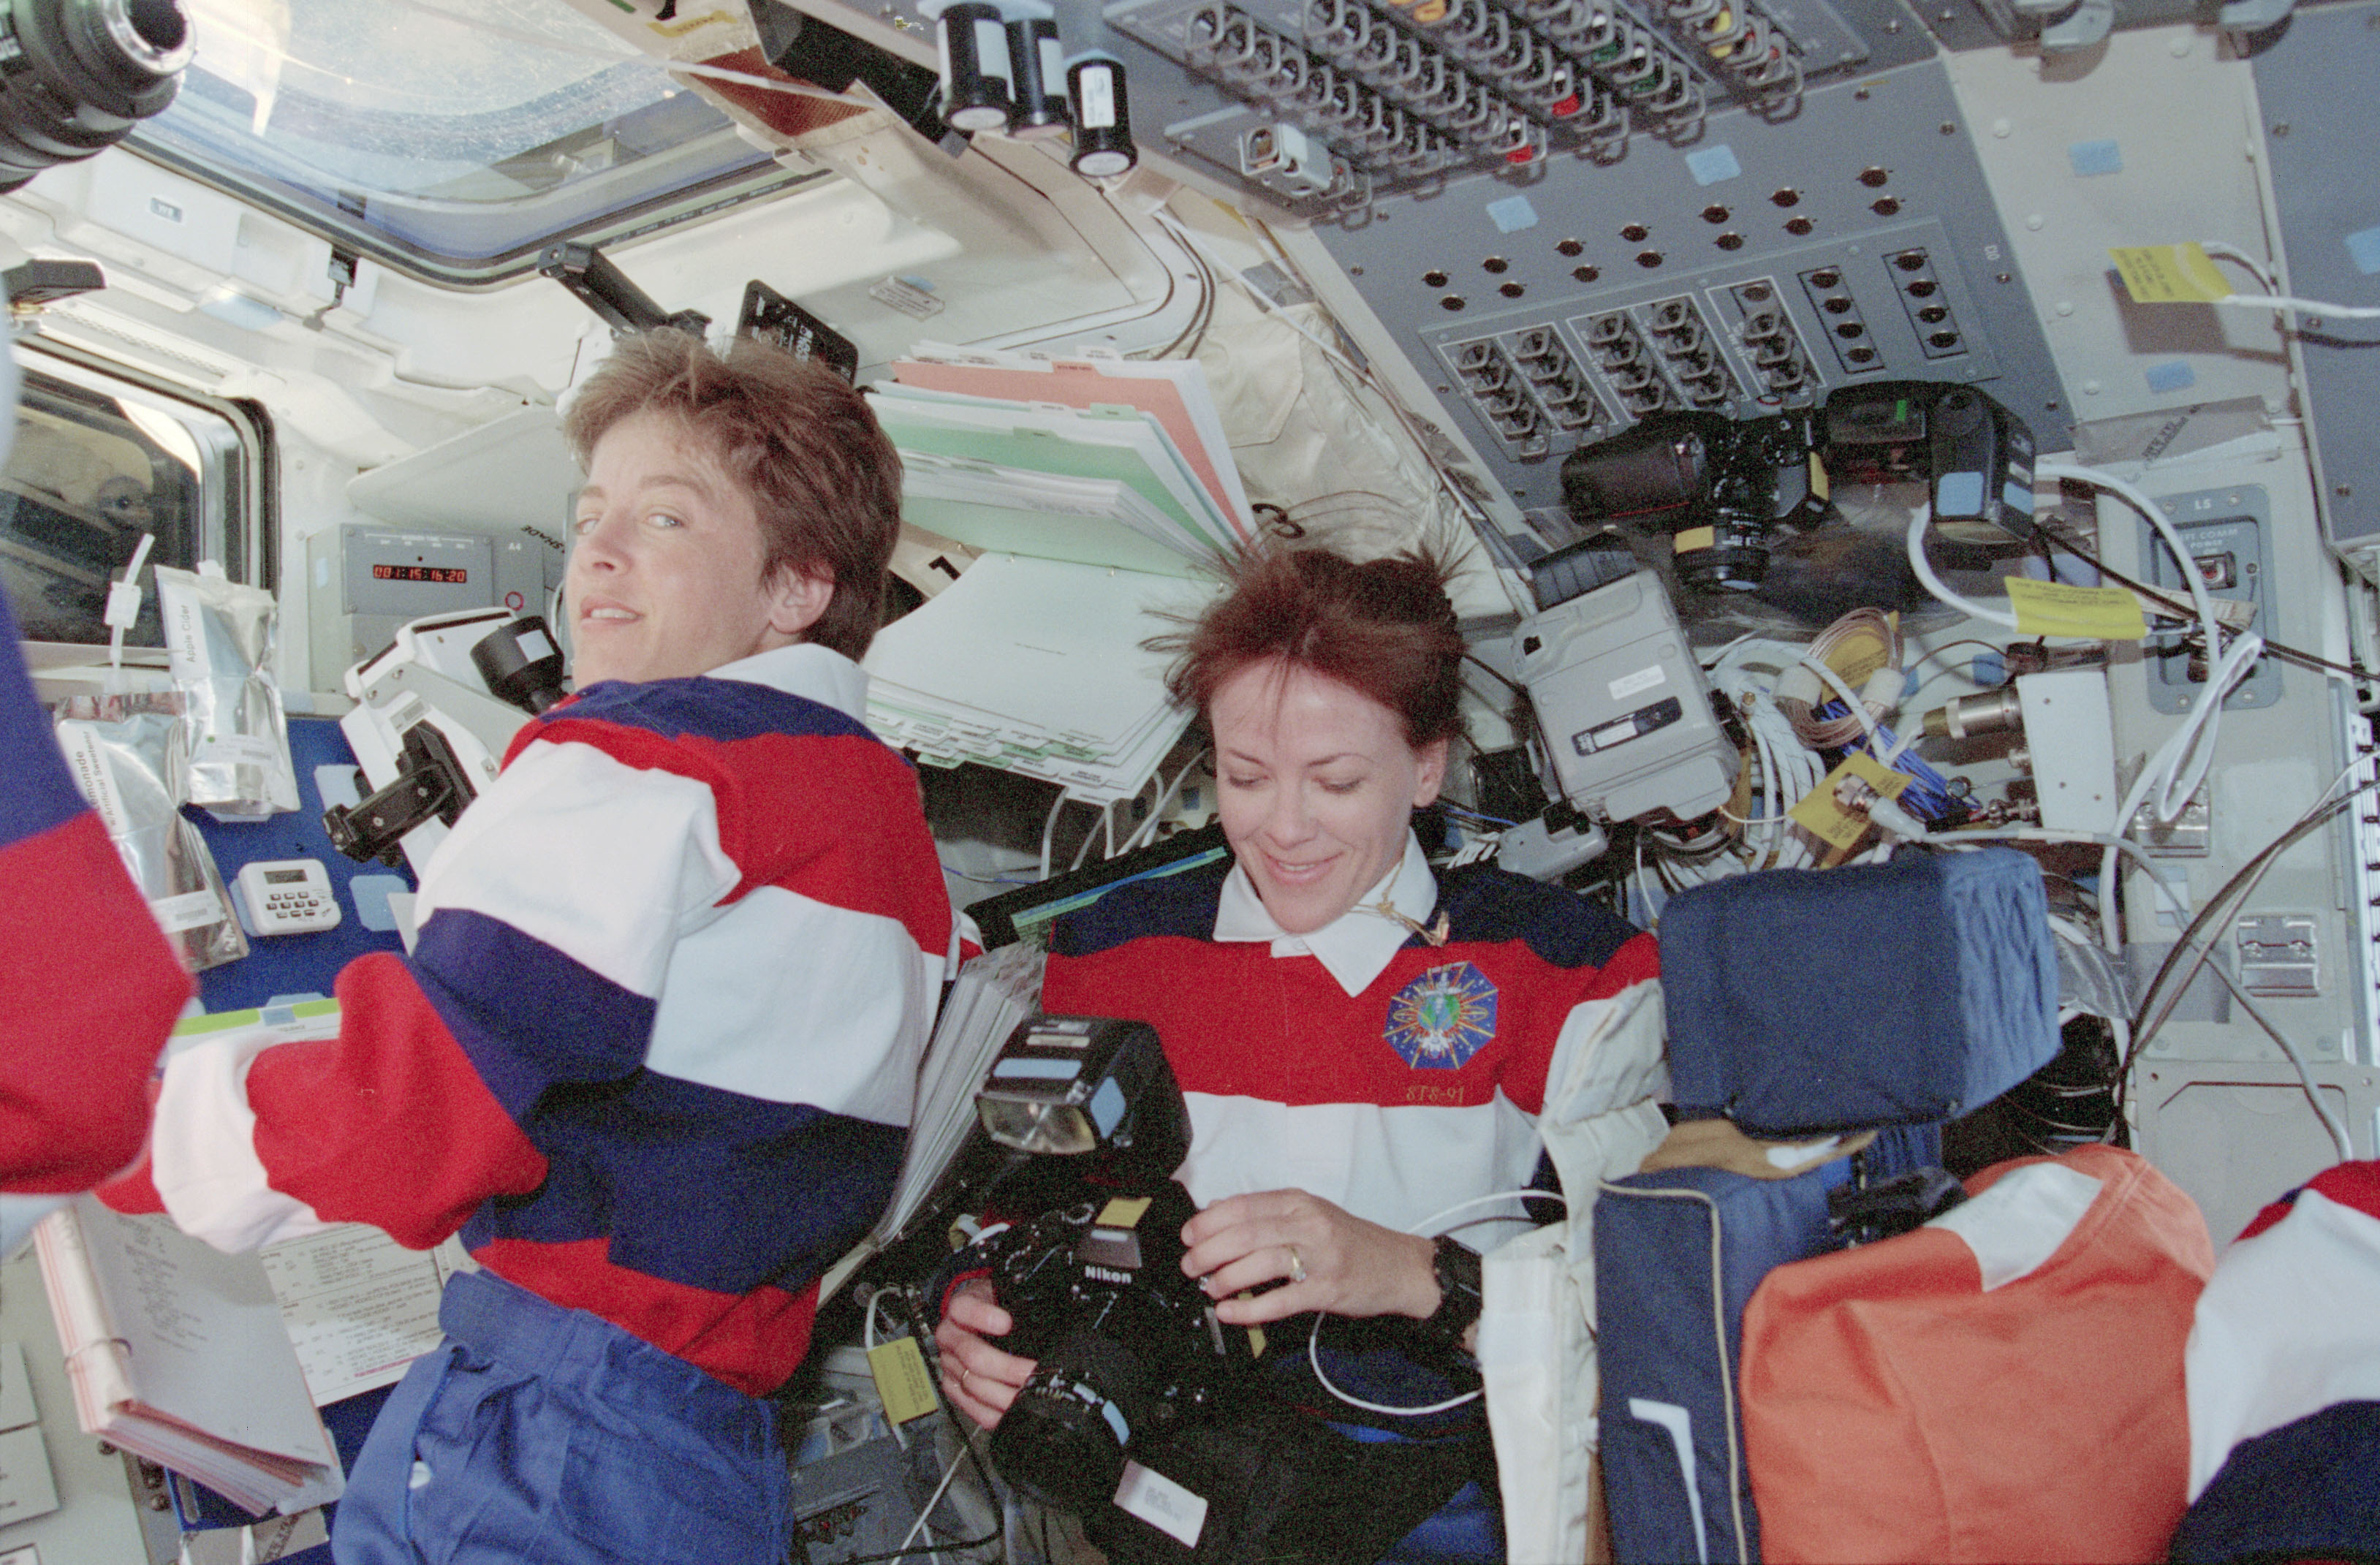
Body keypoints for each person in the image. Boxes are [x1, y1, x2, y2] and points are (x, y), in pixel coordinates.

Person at [102, 330, 961, 1564]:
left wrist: (118, 1124)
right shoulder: (884, 820)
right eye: (590, 514)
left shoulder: (642, 758)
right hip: (702, 1453)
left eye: (667, 520)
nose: (598, 554)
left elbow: (405, 1121)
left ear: (796, 586)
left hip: (551, 1435)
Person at [933, 543, 1662, 1564]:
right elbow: (1020, 1211)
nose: (1282, 828)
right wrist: (969, 1302)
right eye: (1245, 775)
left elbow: (1653, 1316)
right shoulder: (1116, 949)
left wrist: (1417, 1276)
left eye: (1335, 781)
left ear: (1427, 764)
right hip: (1182, 1484)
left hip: (1448, 1490)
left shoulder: (1567, 971)